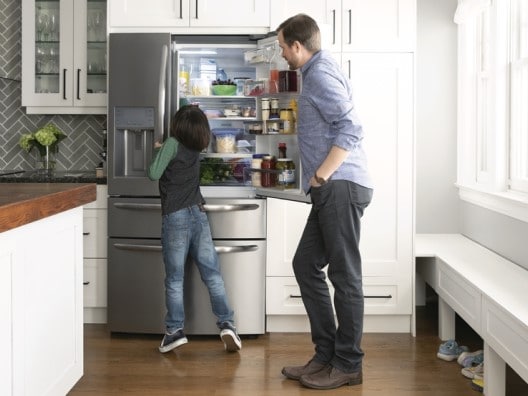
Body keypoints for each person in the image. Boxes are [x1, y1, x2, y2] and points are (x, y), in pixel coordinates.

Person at [276, 14, 373, 390]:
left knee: (345, 276)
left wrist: (321, 175)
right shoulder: (318, 71)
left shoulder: (318, 75)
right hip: (333, 188)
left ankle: (348, 364)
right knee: (306, 264)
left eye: (283, 46)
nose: (282, 53)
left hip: (340, 186)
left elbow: (352, 127)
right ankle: (326, 354)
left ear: (298, 46)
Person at [148, 105, 241, 354]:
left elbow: (153, 173)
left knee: (175, 278)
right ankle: (227, 325)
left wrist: (158, 151)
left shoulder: (172, 143)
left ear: (178, 126)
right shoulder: (195, 147)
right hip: (198, 214)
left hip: (176, 217)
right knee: (212, 275)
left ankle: (174, 331)